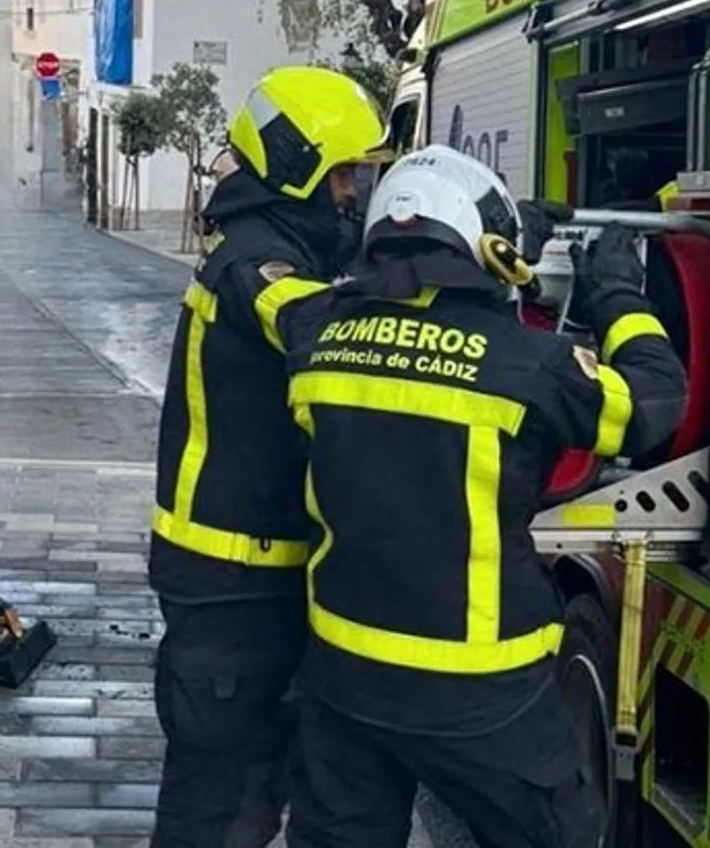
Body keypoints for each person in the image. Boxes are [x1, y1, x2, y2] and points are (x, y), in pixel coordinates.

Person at [267, 144, 688, 848]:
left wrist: (497, 243)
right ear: (480, 244)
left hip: (344, 676)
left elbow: (352, 303)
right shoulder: (532, 365)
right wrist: (619, 296)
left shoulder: (318, 336)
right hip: (479, 690)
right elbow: (655, 399)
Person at [150, 66, 391, 847]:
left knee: (259, 780)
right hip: (232, 581)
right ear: (300, 167)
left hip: (256, 570)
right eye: (347, 174)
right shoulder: (256, 262)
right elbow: (319, 330)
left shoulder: (282, 244)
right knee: (216, 795)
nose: (354, 194)